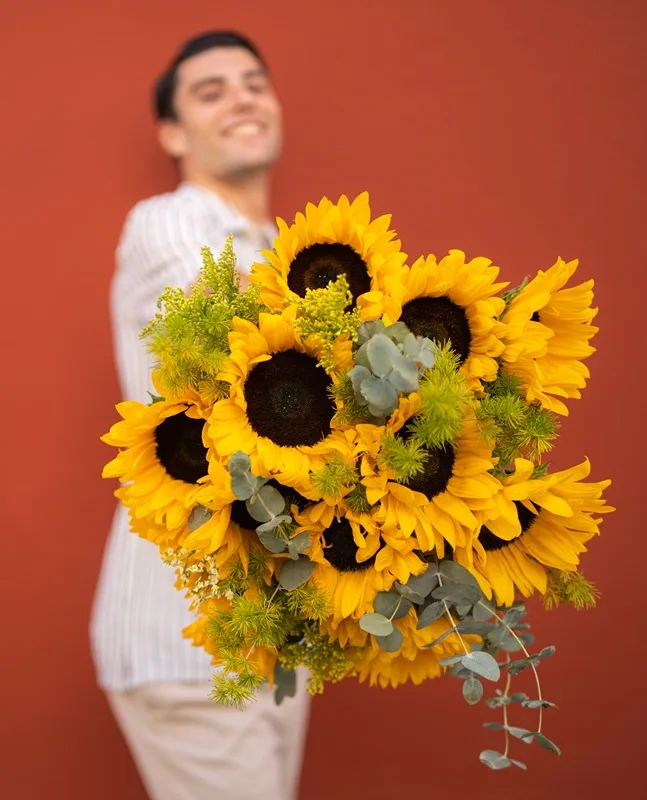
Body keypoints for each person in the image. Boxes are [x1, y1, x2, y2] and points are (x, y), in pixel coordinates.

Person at [91, 31, 310, 800]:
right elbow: (232, 337)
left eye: (254, 81)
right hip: (185, 637)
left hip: (270, 627)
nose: (243, 97)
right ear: (173, 135)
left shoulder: (289, 249)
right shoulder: (170, 224)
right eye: (210, 91)